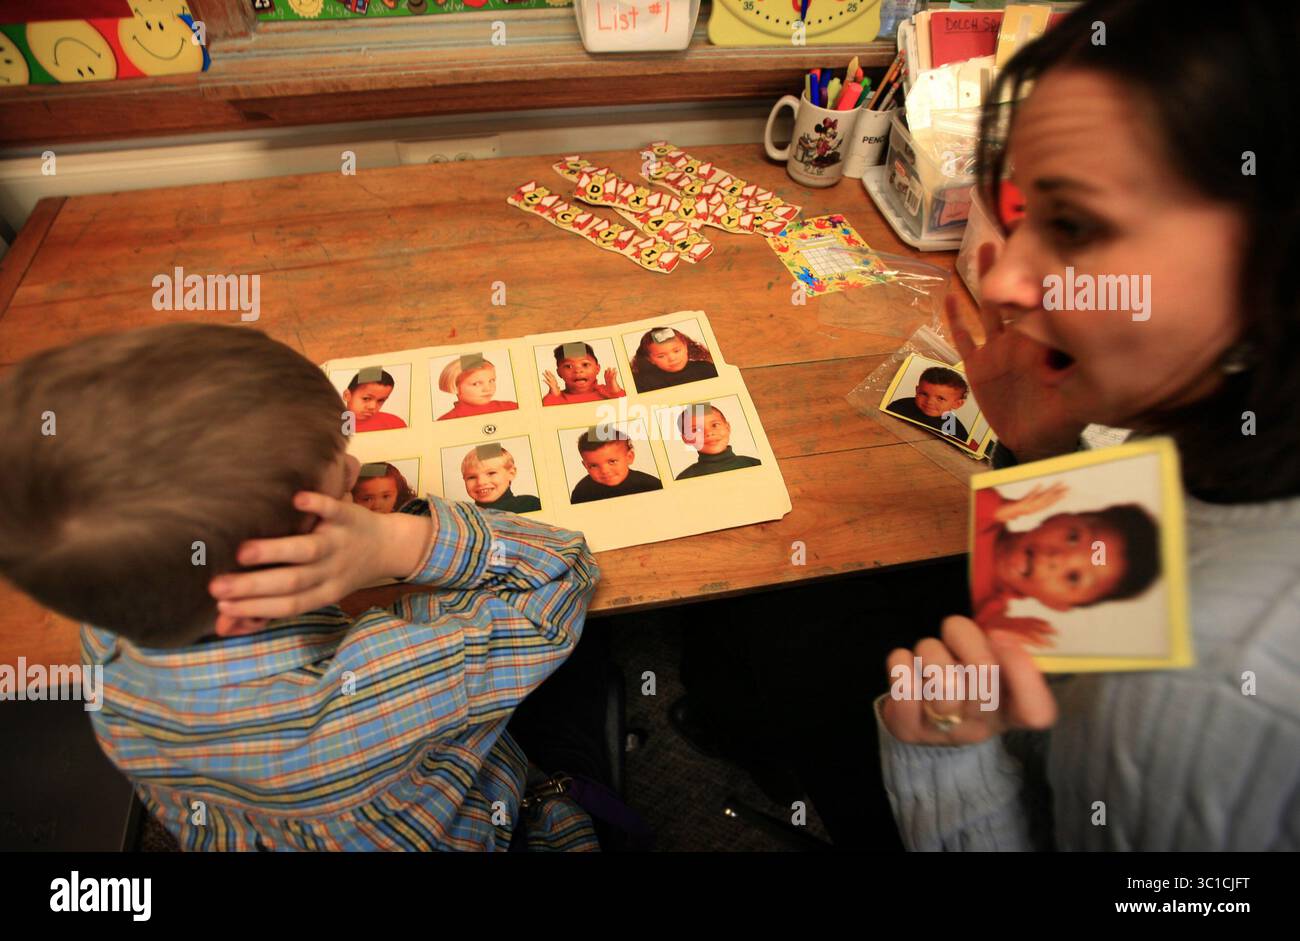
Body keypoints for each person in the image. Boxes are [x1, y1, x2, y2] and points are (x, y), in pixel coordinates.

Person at [877, 0, 1300, 850]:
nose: (1003, 281)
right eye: (1022, 215)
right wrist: (1042, 451)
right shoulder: (1217, 426)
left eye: (1073, 225)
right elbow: (1061, 646)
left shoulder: (1199, 691)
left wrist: (946, 763)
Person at [0, 324, 602, 851]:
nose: (355, 469)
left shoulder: (110, 625)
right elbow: (565, 568)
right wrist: (397, 542)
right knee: (580, 691)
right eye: (336, 477)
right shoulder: (380, 682)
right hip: (468, 820)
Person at [970, 482, 1159, 644]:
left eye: (1073, 577)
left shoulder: (988, 617)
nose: (1058, 558)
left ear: (1056, 604)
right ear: (1059, 518)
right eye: (1073, 537)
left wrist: (990, 631)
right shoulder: (987, 509)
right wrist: (999, 509)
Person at [569, 428, 662, 504]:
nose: (604, 471)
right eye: (593, 465)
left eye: (612, 461)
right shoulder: (582, 492)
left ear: (629, 457)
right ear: (585, 466)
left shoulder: (650, 485)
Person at [674, 405, 762, 479]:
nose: (709, 433)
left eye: (714, 425)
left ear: (727, 427)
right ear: (686, 439)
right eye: (696, 429)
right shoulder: (684, 478)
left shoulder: (755, 464)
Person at [887, 366, 971, 442]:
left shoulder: (956, 432)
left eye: (940, 398)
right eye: (924, 394)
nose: (929, 402)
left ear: (957, 404)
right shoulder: (900, 406)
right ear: (917, 390)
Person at [629, 327, 718, 393]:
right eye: (661, 356)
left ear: (686, 347)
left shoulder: (705, 369)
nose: (672, 358)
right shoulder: (644, 381)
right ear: (650, 359)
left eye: (676, 351)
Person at [461, 445, 542, 513]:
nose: (481, 482)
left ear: (511, 473)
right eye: (471, 477)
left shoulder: (530, 505)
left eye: (491, 473)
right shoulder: (465, 514)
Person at [436, 355, 518, 420]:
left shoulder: (511, 407)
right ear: (455, 386)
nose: (488, 389)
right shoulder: (447, 420)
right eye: (476, 384)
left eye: (491, 380)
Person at [543, 343, 625, 405]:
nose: (578, 370)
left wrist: (615, 391)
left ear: (597, 368)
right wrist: (553, 396)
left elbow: (625, 406)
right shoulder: (557, 398)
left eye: (585, 364)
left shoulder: (608, 392)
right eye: (568, 366)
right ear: (559, 373)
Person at [342, 368, 407, 432]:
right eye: (366, 398)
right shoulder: (336, 424)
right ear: (347, 395)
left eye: (380, 400)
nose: (372, 407)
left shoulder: (395, 424)